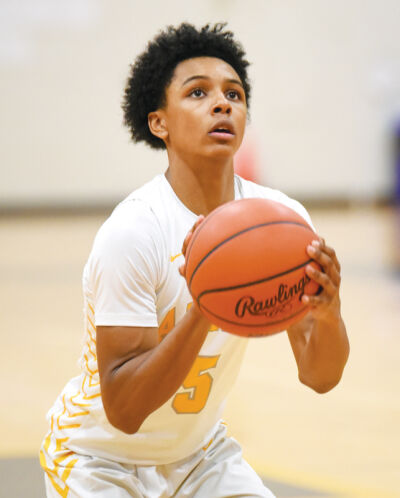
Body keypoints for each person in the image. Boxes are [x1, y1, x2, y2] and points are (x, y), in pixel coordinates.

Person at [39, 22, 349, 498]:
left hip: (200, 457)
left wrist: (329, 314)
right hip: (97, 457)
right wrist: (201, 312)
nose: (222, 103)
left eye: (235, 94)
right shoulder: (133, 232)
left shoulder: (283, 223)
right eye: (198, 93)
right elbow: (124, 411)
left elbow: (319, 377)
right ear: (158, 122)